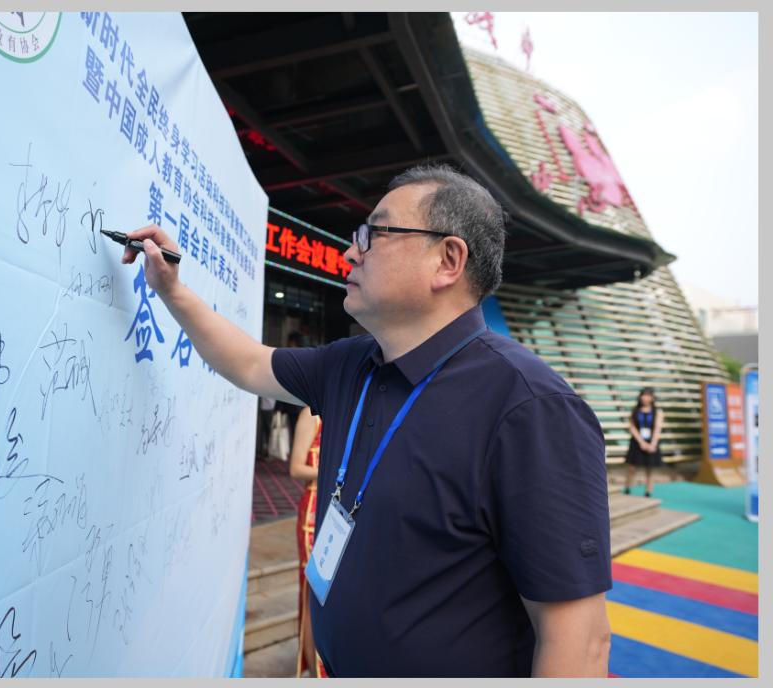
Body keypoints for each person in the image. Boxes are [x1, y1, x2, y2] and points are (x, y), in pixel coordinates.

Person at [119, 163, 612, 677]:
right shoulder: (351, 363)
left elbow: (578, 640)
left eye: (374, 234)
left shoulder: (531, 409)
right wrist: (172, 290)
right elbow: (248, 363)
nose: (351, 252)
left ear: (447, 260)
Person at [288, 406, 326, 678]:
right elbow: (296, 467)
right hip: (313, 511)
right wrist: (331, 471)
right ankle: (315, 672)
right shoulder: (310, 415)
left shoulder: (348, 411)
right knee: (314, 593)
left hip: (337, 512)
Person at [623, 387, 664, 497]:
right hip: (637, 442)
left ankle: (648, 492)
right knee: (632, 468)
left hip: (652, 442)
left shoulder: (658, 412)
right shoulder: (635, 410)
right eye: (644, 395)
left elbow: (658, 428)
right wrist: (641, 442)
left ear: (652, 398)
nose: (645, 398)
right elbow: (632, 427)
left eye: (648, 396)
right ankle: (627, 489)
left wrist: (652, 444)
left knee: (650, 469)